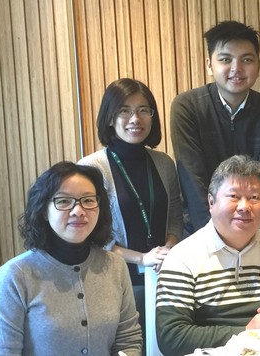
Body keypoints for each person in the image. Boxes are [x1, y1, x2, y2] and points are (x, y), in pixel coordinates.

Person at [156, 155, 260, 355]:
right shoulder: (182, 257)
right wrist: (247, 333)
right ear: (211, 202)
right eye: (233, 196)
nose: (244, 207)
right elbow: (171, 337)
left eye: (254, 198)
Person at [0, 162, 142, 355]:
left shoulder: (115, 266)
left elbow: (128, 341)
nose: (78, 211)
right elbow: (1, 352)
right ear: (43, 211)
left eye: (88, 200)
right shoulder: (15, 276)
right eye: (64, 201)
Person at [78, 78, 183, 339]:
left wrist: (168, 249)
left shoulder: (164, 163)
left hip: (163, 277)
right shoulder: (92, 168)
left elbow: (176, 217)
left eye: (143, 110)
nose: (135, 118)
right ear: (110, 118)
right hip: (113, 279)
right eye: (124, 110)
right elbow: (87, 233)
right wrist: (141, 258)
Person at [171, 20, 260, 233]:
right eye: (225, 59)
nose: (236, 69)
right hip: (201, 232)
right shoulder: (187, 107)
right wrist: (214, 239)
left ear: (259, 66)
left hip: (256, 231)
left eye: (247, 60)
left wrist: (252, 236)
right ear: (209, 65)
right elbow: (192, 181)